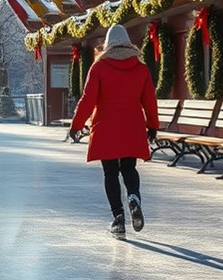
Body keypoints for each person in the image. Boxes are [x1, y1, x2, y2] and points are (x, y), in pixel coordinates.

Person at [68, 24, 159, 239]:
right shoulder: (141, 69)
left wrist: (76, 125)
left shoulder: (99, 68)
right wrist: (153, 125)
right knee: (129, 168)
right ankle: (134, 196)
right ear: (128, 44)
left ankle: (118, 219)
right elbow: (150, 101)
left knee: (110, 172)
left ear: (108, 45)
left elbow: (88, 99)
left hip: (106, 127)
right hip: (132, 126)